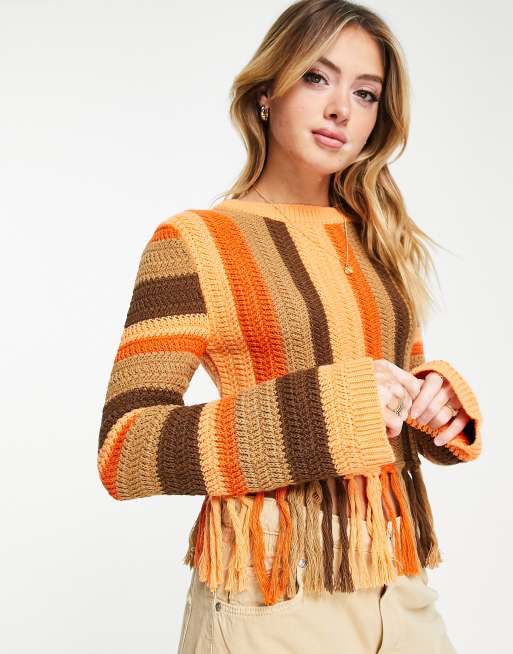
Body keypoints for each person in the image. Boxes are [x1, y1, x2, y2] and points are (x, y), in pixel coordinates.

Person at [96, 1, 483, 652]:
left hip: (399, 578)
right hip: (273, 588)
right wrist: (327, 410)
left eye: (364, 94)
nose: (340, 110)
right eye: (316, 77)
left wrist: (434, 400)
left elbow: (384, 404)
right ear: (266, 92)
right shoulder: (196, 242)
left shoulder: (377, 239)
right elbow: (124, 450)